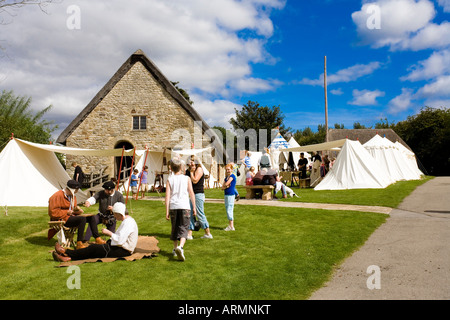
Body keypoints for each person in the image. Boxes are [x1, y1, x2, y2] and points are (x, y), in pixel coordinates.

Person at [52, 202, 138, 262]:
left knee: (93, 249)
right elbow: (120, 238)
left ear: (120, 213)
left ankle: (66, 253)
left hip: (123, 250)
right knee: (93, 250)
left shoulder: (128, 223)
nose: (114, 216)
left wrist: (109, 233)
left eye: (114, 214)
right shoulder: (127, 221)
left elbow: (120, 240)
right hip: (120, 248)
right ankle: (67, 256)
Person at [165, 158, 196, 261]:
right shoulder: (186, 178)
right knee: (184, 227)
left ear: (172, 168)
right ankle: (180, 247)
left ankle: (175, 248)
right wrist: (194, 208)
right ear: (181, 167)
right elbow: (191, 193)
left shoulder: (170, 179)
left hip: (174, 206)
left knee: (175, 227)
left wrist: (166, 211)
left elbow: (167, 196)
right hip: (184, 206)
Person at [48, 180, 88, 249]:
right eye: (77, 189)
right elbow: (52, 212)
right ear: (73, 189)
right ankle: (79, 243)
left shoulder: (72, 196)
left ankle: (97, 239)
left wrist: (77, 211)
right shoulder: (57, 196)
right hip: (62, 219)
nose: (77, 191)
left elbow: (72, 210)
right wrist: (67, 212)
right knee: (82, 219)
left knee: (91, 218)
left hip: (70, 217)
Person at [186, 158, 212, 240]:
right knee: (189, 214)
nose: (191, 163)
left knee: (200, 214)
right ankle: (189, 234)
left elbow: (195, 180)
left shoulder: (199, 169)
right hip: (192, 194)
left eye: (192, 161)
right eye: (190, 162)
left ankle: (208, 233)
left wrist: (191, 172)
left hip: (198, 194)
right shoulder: (189, 170)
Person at [222, 163, 236, 231]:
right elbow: (222, 187)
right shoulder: (226, 178)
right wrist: (226, 186)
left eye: (229, 169)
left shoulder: (232, 176)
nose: (227, 171)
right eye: (226, 169)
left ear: (231, 169)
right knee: (227, 209)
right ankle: (230, 225)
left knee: (229, 210)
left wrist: (226, 185)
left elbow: (226, 184)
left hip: (231, 195)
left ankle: (231, 226)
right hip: (226, 194)